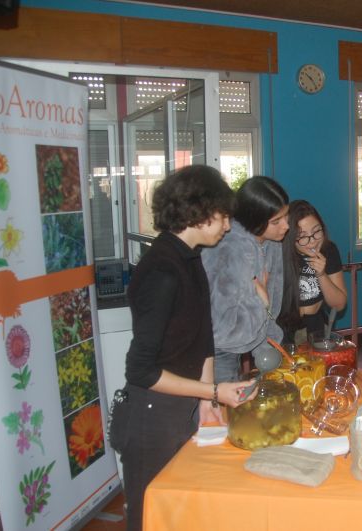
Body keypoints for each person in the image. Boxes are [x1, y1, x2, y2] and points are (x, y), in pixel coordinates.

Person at [120, 165, 255, 531]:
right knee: (151, 514)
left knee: (183, 512)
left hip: (182, 403)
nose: (228, 226)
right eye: (223, 216)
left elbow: (202, 337)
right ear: (200, 212)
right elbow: (141, 371)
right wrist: (213, 391)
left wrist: (205, 399)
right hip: (153, 412)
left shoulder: (189, 257)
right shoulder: (162, 270)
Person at [202, 176, 290, 383]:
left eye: (286, 216)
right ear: (254, 219)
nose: (286, 226)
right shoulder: (229, 249)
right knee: (220, 401)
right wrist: (261, 302)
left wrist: (269, 345)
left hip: (251, 337)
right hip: (216, 349)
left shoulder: (271, 241)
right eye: (276, 221)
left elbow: (271, 305)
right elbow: (224, 328)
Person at [278, 200, 347, 344]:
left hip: (317, 326)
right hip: (285, 329)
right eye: (303, 236)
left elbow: (339, 304)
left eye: (316, 231)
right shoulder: (280, 254)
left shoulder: (329, 250)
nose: (313, 241)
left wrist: (321, 274)